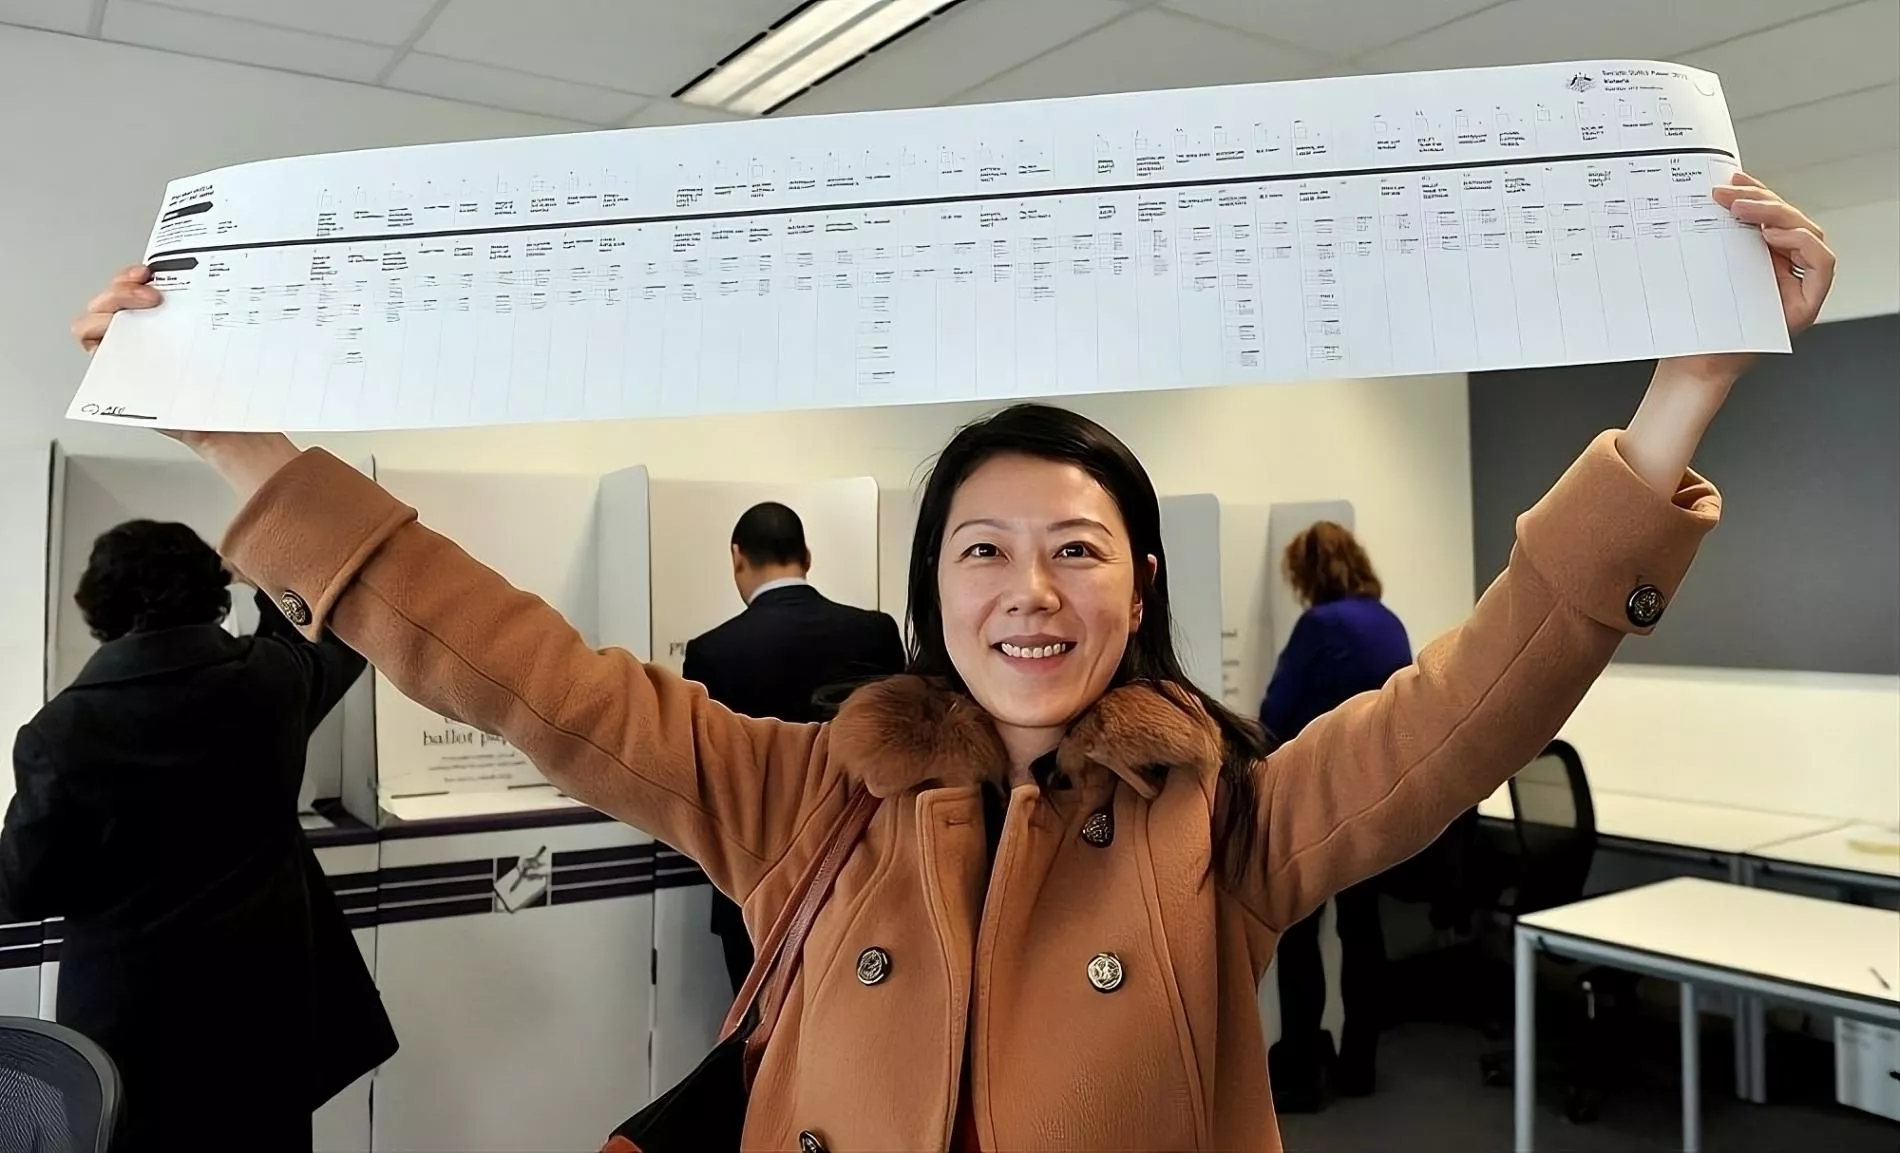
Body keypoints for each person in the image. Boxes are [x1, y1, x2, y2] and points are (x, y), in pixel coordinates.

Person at [71, 172, 1831, 1152]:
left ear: (1135, 592)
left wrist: (1679, 397)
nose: (1030, 588)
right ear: (932, 590)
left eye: (1078, 549)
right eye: (983, 549)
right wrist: (240, 446)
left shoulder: (1231, 826)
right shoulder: (793, 786)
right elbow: (511, 663)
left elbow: (1478, 700)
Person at [0, 520, 397, 1153]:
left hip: (131, 1029)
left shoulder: (60, 732)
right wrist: (264, 571)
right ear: (213, 593)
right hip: (265, 1016)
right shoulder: (272, 681)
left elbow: (23, 892)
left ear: (96, 607)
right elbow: (333, 631)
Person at [683, 501, 906, 994]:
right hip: (863, 868)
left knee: (759, 1041)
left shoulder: (712, 651)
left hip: (754, 883)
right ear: (806, 554)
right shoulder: (875, 632)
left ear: (736, 557)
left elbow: (706, 779)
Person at [1258, 520, 1413, 1111]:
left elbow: (1277, 710)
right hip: (1377, 795)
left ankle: (1298, 1074)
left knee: (1300, 938)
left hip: (1319, 800)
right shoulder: (1386, 619)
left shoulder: (1320, 624)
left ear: (1308, 573)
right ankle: (1359, 1065)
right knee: (1361, 931)